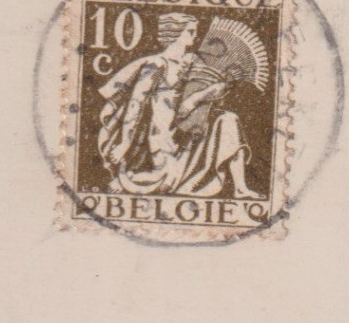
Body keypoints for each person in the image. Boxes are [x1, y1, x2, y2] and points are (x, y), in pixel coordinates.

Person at [95, 12, 265, 199]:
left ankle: (240, 188)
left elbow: (217, 89)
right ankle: (128, 178)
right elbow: (135, 105)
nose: (195, 36)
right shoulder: (156, 64)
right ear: (175, 34)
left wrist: (198, 97)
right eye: (190, 31)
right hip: (162, 132)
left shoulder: (194, 60)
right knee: (162, 177)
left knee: (229, 120)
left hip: (192, 126)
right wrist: (123, 145)